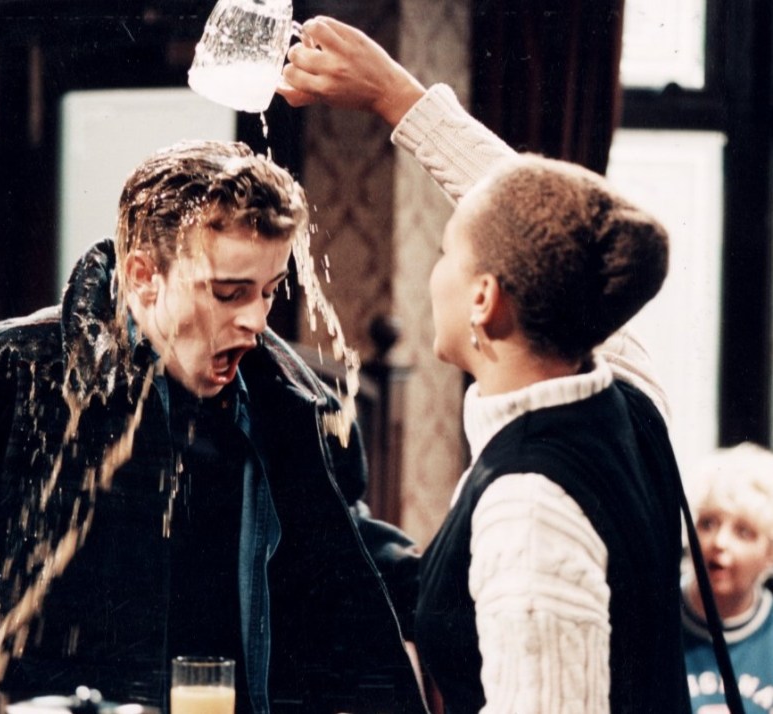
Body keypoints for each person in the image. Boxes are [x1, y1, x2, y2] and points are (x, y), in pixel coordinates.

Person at [0, 140, 426, 713]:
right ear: (142, 277)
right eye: (228, 292)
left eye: (268, 292)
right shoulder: (3, 373)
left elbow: (341, 543)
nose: (255, 322)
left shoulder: (290, 403)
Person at [280, 17, 690, 713]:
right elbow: (554, 229)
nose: (433, 273)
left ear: (483, 299)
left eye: (445, 252)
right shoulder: (626, 390)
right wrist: (397, 99)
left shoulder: (529, 505)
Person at [682, 443, 773, 713]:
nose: (719, 542)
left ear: (770, 552)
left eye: (743, 532)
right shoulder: (652, 620)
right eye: (708, 523)